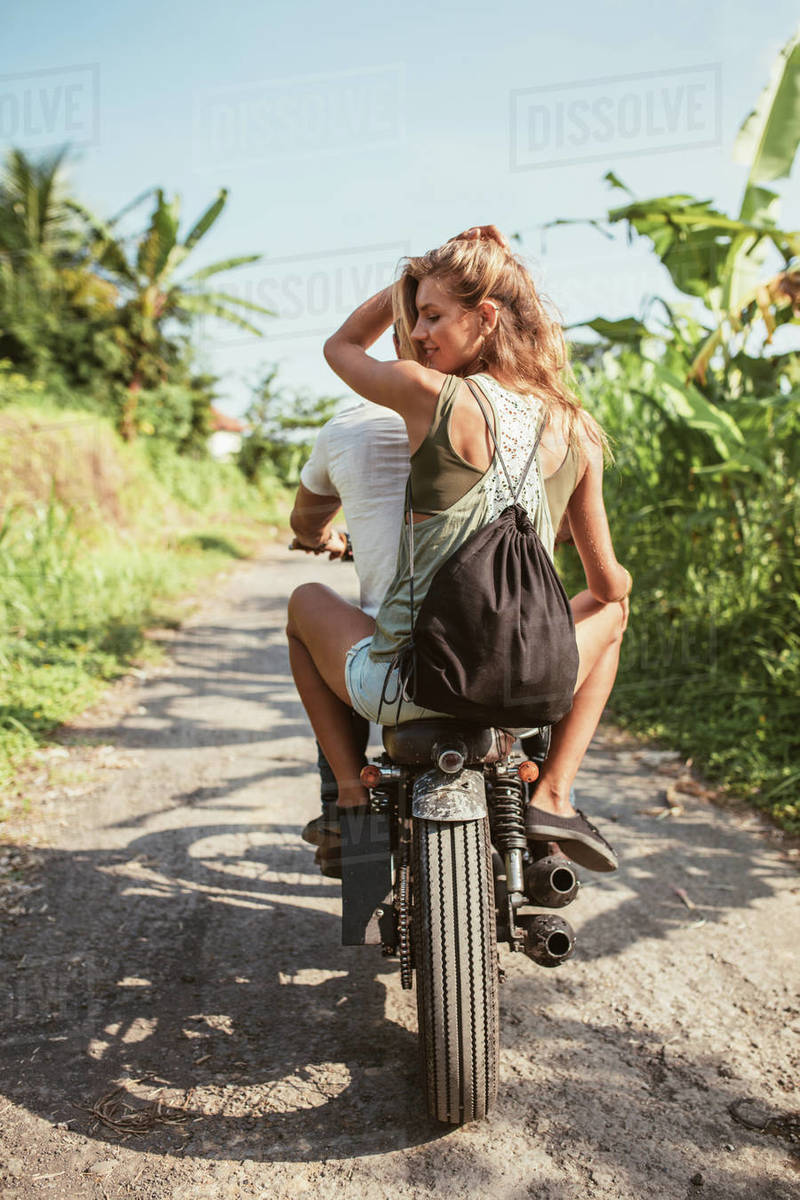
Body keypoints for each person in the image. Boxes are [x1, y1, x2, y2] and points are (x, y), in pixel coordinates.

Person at [286, 226, 631, 872]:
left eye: (432, 316)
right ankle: (553, 793)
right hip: (536, 688)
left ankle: (355, 798)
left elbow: (339, 347)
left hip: (411, 687)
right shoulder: (575, 428)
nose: (418, 333)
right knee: (612, 612)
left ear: (487, 317)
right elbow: (608, 585)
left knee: (304, 603)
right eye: (415, 317)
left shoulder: (429, 395)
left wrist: (405, 279)